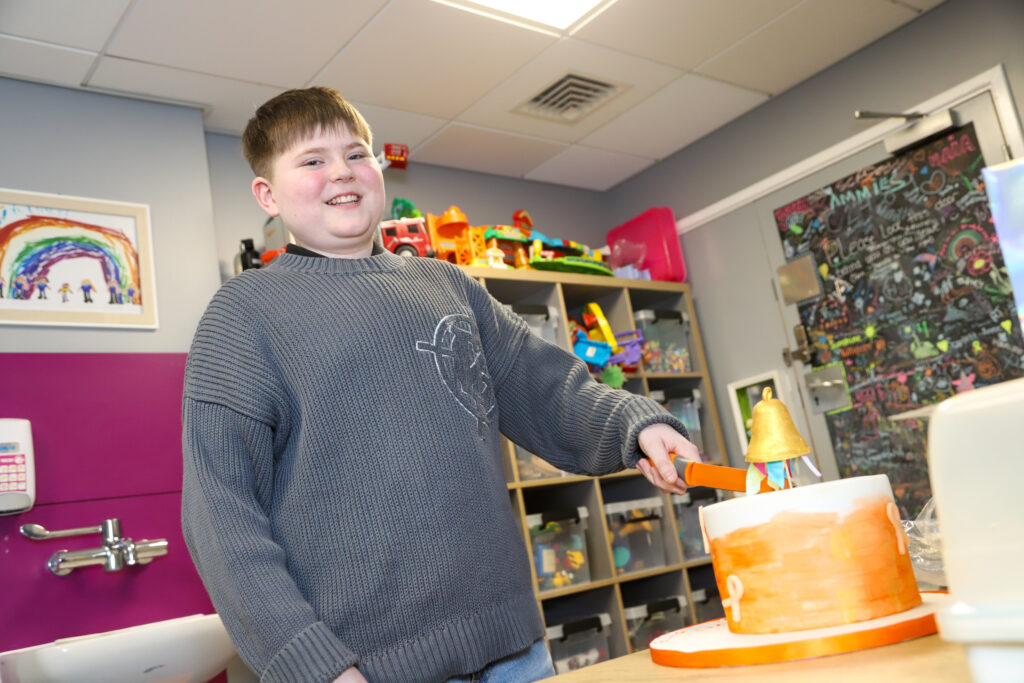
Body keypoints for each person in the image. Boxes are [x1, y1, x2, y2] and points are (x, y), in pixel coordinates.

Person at [181, 86, 699, 683]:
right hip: (367, 672)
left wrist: (641, 424)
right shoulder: (243, 314)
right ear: (267, 194)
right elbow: (220, 515)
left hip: (515, 651)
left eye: (356, 154)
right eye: (312, 160)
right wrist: (315, 667)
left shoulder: (447, 285)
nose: (341, 173)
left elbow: (550, 390)